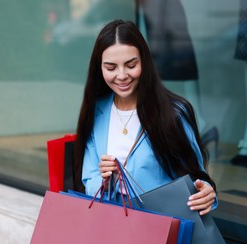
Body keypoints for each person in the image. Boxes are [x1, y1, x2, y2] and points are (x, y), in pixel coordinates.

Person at [74, 19, 217, 215]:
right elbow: (89, 183)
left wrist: (207, 193)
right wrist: (106, 180)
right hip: (111, 225)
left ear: (144, 61)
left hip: (160, 228)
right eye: (111, 67)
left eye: (131, 65)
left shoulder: (174, 112)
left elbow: (197, 181)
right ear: (99, 68)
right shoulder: (97, 109)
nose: (122, 75)